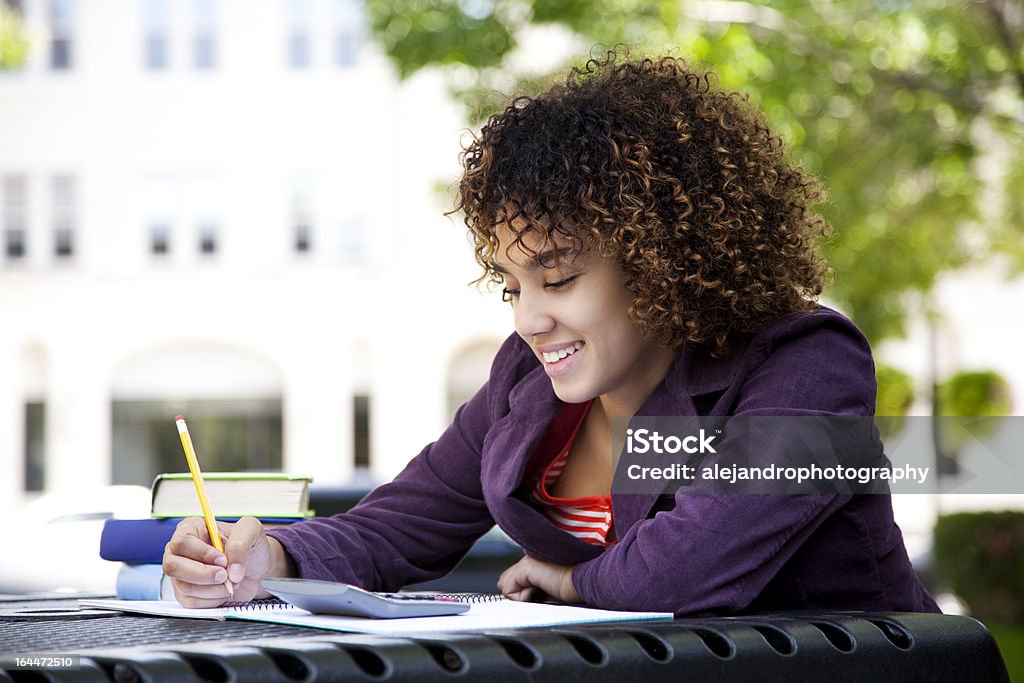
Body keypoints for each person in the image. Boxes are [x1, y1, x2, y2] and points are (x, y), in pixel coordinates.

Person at [163, 51, 939, 615]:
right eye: (511, 283)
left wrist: (567, 579)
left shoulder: (807, 364)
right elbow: (404, 520)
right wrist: (267, 555)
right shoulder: (526, 383)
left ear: (659, 257)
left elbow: (688, 565)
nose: (529, 318)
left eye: (558, 278)